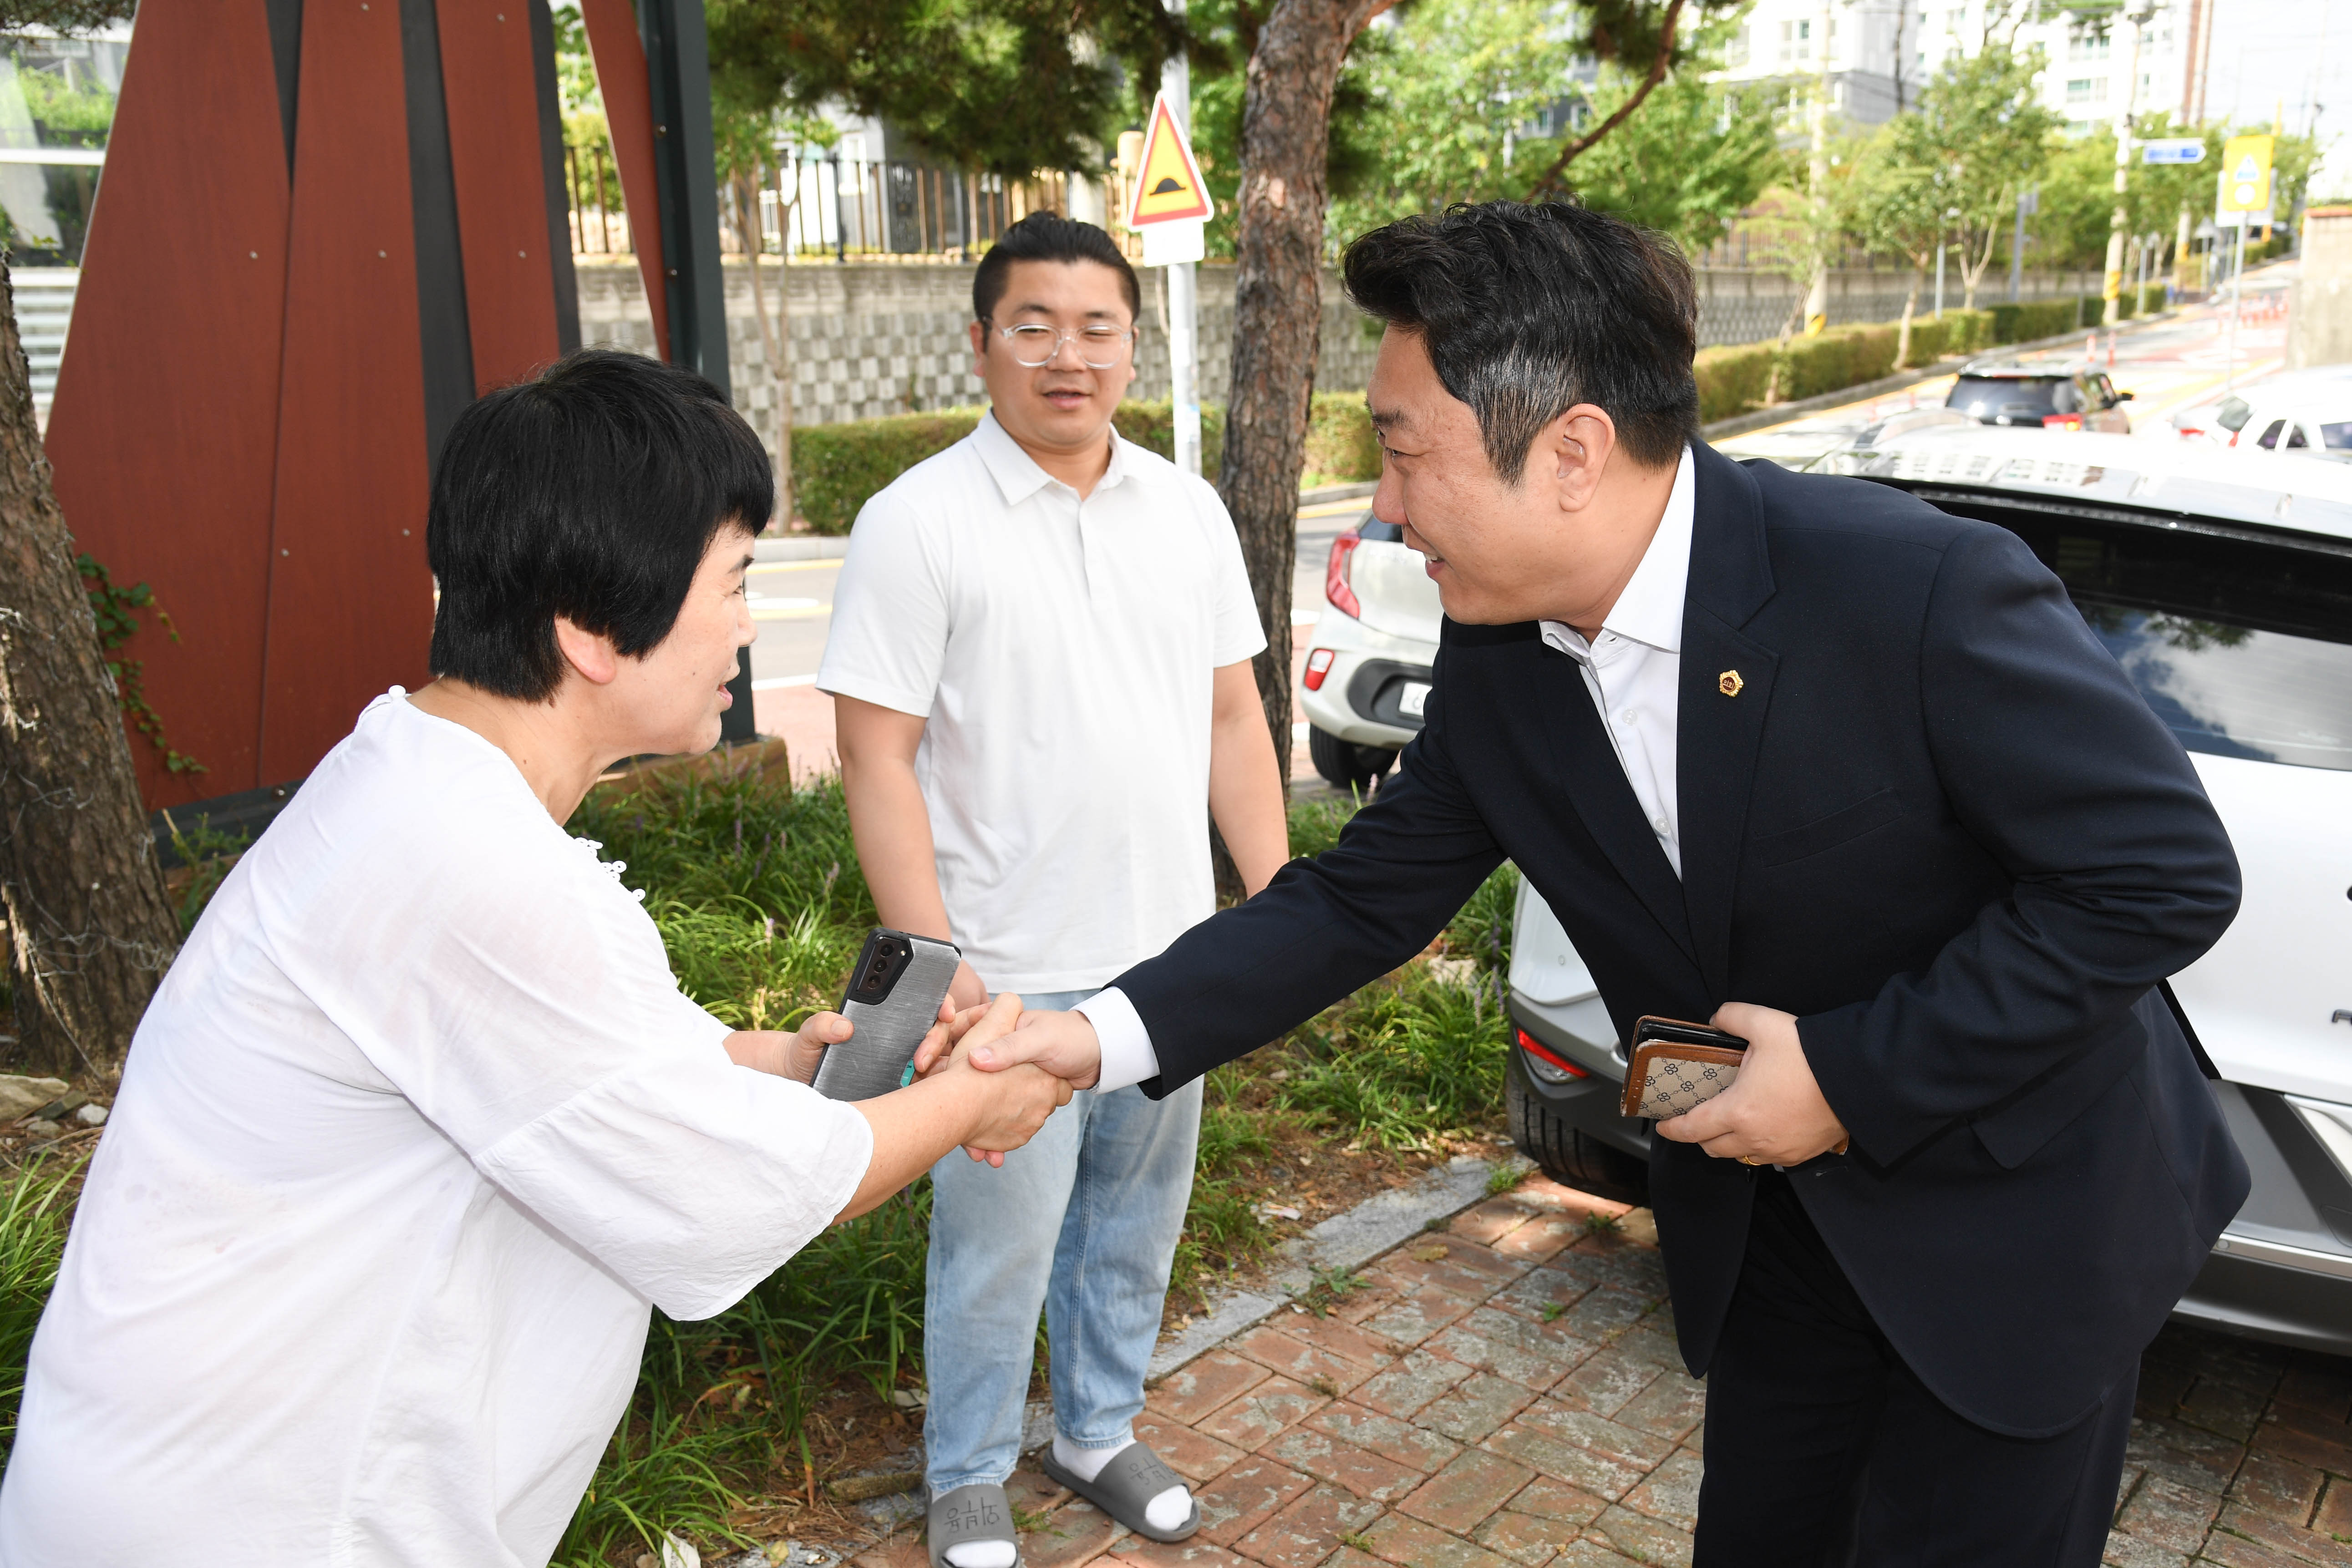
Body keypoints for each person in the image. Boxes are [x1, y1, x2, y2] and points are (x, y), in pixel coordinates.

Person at [958, 202, 2252, 1565]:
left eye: (1400, 451)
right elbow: (1360, 901)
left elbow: (2159, 878)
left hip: (2012, 1236)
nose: (1383, 509)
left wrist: (1847, 1075)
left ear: (1571, 450)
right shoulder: (1505, 657)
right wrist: (1084, 1038)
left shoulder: (1910, 589)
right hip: (1768, 1239)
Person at [0, 350, 1072, 1566]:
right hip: (262, 1523)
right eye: (732, 583)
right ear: (593, 632)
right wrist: (977, 1094)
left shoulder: (417, 789)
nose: (744, 622)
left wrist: (772, 1062)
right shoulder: (469, 865)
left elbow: (554, 1069)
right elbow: (733, 1202)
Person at [818, 213, 1287, 1568]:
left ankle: (1094, 1429)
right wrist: (934, 949)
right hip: (1006, 976)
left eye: (1097, 329)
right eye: (1034, 327)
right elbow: (875, 753)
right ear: (981, 343)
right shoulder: (917, 522)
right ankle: (965, 1469)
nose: (1067, 358)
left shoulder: (1187, 512)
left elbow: (1234, 723)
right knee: (998, 1248)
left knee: (1134, 1223)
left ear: (1131, 345)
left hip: (1168, 965)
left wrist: (1270, 902)